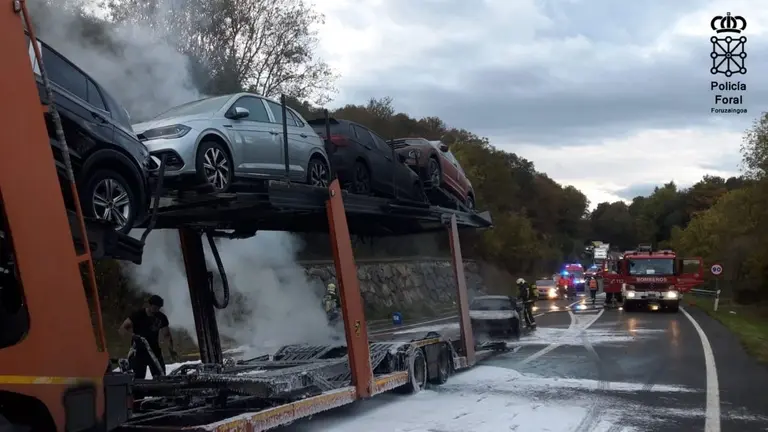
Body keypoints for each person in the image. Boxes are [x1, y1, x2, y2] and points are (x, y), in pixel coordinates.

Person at [119, 294, 177, 379]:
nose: (156, 310)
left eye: (158, 308)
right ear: (149, 305)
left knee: (161, 377)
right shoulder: (138, 315)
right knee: (137, 378)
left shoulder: (161, 317)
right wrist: (133, 336)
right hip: (138, 351)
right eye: (154, 307)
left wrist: (171, 349)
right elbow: (122, 329)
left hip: (154, 351)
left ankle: (160, 391)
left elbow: (167, 335)